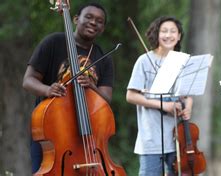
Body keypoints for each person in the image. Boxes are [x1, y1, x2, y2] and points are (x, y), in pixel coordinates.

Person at [22, 3, 112, 173]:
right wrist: (47, 90)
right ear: (76, 19)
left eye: (99, 21)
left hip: (89, 136)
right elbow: (28, 80)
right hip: (53, 131)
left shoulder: (103, 56)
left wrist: (92, 86)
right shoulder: (53, 43)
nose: (94, 22)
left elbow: (106, 99)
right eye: (89, 17)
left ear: (103, 28)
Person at [126, 16, 192, 176]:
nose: (168, 35)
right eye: (164, 31)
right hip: (151, 138)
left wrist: (188, 108)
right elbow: (131, 95)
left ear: (179, 36)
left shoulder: (182, 61)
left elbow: (188, 95)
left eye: (173, 31)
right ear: (156, 34)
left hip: (178, 139)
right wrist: (163, 105)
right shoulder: (144, 61)